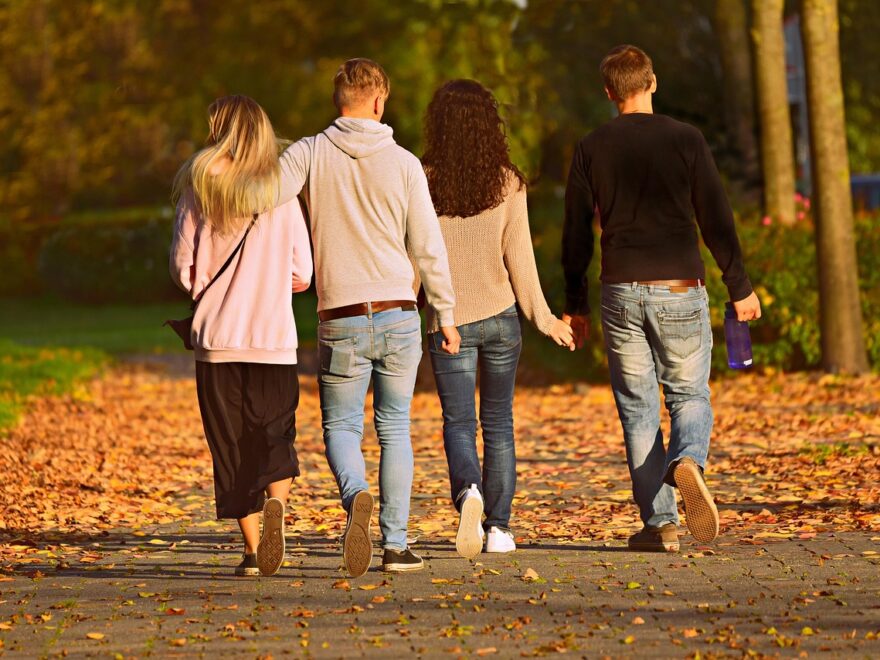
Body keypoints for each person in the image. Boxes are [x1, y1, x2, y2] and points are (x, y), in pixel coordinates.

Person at [561, 45, 761, 552]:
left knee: (637, 409)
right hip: (679, 287)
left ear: (609, 93)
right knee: (689, 395)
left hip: (621, 290)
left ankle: (661, 526)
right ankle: (689, 460)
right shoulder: (686, 139)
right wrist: (739, 286)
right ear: (653, 82)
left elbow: (576, 236)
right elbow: (716, 216)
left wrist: (576, 303)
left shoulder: (591, 147)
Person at [276, 59, 459, 576]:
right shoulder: (404, 164)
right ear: (379, 102)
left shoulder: (308, 153)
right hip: (401, 312)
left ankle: (356, 495)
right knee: (395, 427)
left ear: (339, 101)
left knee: (340, 423)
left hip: (342, 315)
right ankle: (396, 546)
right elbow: (428, 247)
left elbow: (264, 197)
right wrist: (445, 313)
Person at [420, 80, 575, 559]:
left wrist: (404, 311)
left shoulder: (421, 179)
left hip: (448, 321)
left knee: (459, 422)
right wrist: (546, 319)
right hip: (502, 319)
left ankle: (469, 491)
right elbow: (520, 261)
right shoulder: (509, 182)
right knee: (500, 423)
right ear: (491, 124)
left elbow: (415, 257)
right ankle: (499, 529)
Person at [169, 95, 313, 576]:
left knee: (230, 448)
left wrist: (208, 285)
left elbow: (183, 270)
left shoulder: (199, 186)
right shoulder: (282, 189)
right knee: (274, 434)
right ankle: (278, 511)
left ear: (222, 130)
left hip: (217, 342)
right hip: (273, 338)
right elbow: (303, 274)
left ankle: (253, 552)